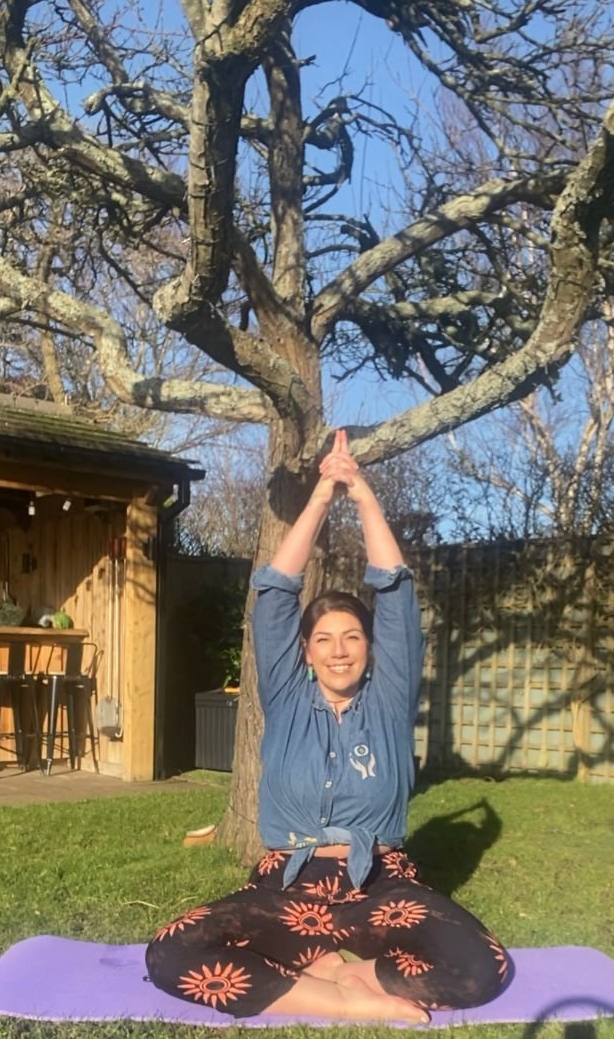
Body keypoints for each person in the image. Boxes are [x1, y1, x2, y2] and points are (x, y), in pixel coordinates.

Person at [146, 430, 510, 1022]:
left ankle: (348, 970)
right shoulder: (287, 698)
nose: (339, 651)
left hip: (378, 888)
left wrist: (361, 493)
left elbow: (395, 592)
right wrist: (321, 495)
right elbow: (273, 593)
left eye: (352, 637)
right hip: (288, 890)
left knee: (482, 965)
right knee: (171, 953)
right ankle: (343, 998)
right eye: (324, 640)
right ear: (306, 653)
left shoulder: (389, 701)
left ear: (369, 647)